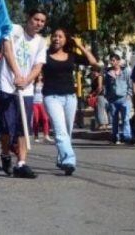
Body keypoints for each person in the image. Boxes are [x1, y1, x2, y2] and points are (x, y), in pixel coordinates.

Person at [0, 9, 47, 179]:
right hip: (6, 86)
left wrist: (27, 80)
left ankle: (21, 163)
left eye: (42, 21)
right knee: (7, 126)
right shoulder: (14, 29)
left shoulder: (40, 42)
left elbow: (38, 66)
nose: (38, 23)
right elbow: (7, 50)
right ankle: (5, 154)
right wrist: (16, 74)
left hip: (26, 89)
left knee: (23, 127)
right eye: (36, 19)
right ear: (28, 18)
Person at [41, 28, 100, 175]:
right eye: (54, 36)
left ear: (66, 40)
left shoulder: (72, 55)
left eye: (60, 36)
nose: (56, 39)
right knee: (60, 131)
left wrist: (80, 45)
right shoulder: (44, 55)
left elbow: (93, 62)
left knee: (67, 131)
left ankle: (62, 159)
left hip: (70, 97)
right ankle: (69, 160)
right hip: (51, 96)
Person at [105, 53, 133, 144]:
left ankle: (127, 137)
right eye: (111, 60)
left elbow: (130, 84)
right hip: (113, 100)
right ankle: (115, 137)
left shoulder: (126, 71)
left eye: (114, 60)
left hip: (124, 98)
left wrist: (129, 95)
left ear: (118, 61)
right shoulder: (108, 73)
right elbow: (107, 86)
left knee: (125, 119)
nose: (113, 62)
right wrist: (108, 97)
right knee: (114, 119)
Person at [31, 74, 51, 143]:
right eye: (39, 76)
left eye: (41, 76)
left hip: (42, 103)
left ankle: (46, 135)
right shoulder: (33, 84)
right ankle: (36, 136)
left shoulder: (43, 84)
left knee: (45, 118)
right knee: (36, 120)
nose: (40, 77)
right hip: (34, 103)